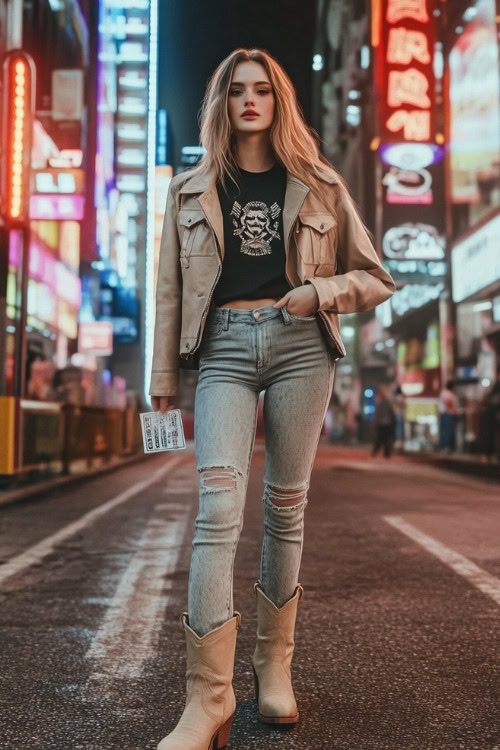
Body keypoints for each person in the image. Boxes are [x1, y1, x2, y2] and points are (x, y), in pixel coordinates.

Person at [149, 48, 395, 750]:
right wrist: (162, 383)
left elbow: (375, 276)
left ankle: (272, 670)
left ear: (278, 100)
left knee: (285, 510)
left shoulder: (318, 182)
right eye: (236, 91)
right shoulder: (191, 188)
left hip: (299, 347)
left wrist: (320, 293)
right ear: (221, 105)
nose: (249, 101)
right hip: (222, 348)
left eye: (262, 90)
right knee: (217, 508)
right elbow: (170, 288)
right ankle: (208, 698)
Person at [371, 385, 396, 458]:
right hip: (384, 423)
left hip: (384, 424)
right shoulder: (383, 402)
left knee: (382, 439)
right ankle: (382, 453)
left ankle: (382, 453)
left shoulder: (384, 402)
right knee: (383, 439)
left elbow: (379, 414)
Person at [439, 380, 457, 452]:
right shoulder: (450, 394)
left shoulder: (442, 393)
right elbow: (449, 404)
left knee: (443, 431)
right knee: (448, 431)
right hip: (449, 414)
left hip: (443, 413)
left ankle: (442, 446)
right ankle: (447, 447)